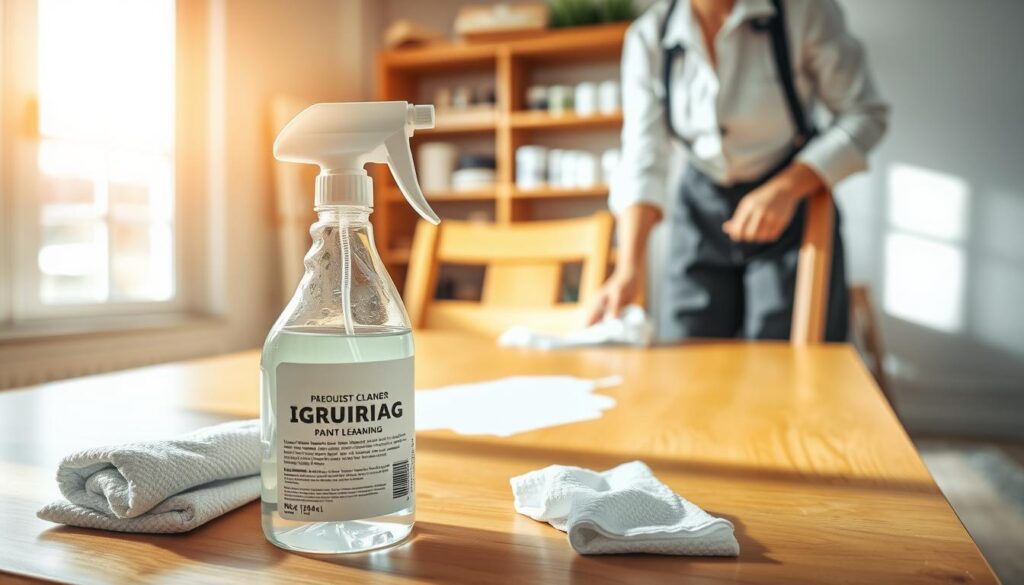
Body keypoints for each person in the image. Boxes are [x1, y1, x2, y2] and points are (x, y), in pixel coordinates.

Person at [585, 0, 888, 340]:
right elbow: (643, 154)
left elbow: (865, 114)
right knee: (687, 351)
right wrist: (628, 267)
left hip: (790, 209)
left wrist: (787, 187)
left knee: (782, 355)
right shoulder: (648, 36)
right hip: (700, 208)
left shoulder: (804, 11)